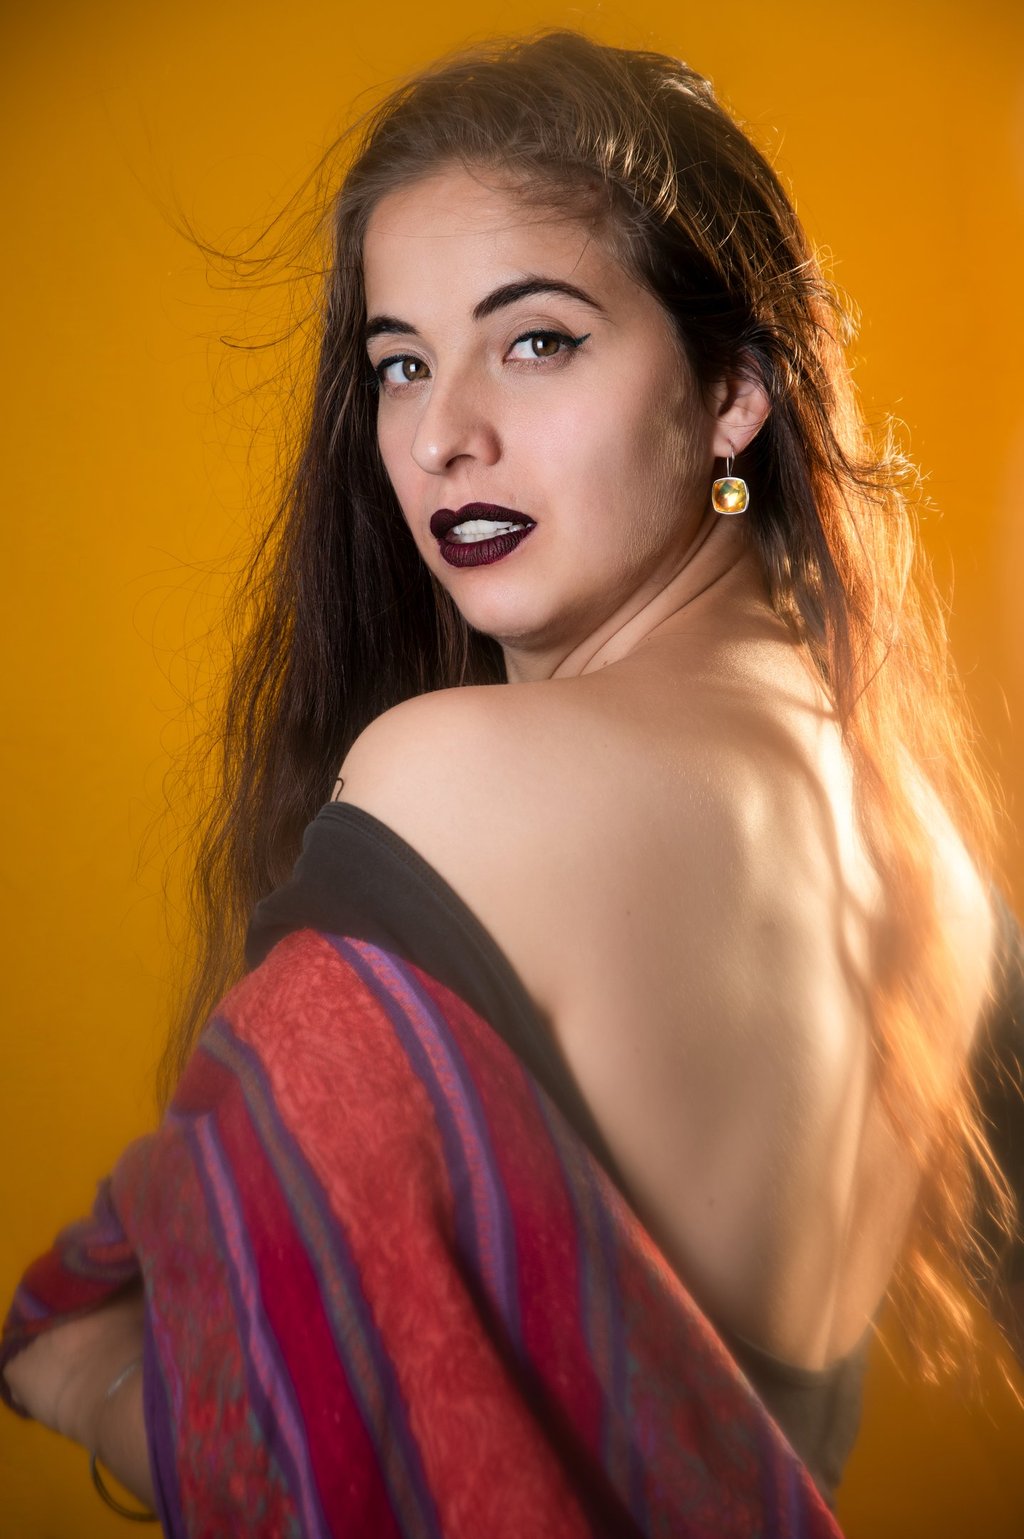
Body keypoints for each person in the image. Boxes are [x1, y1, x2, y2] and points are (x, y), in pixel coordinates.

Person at [2, 28, 1022, 1536]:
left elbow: (291, 1450)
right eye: (401, 364)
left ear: (734, 391)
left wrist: (80, 1366)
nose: (441, 436)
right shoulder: (938, 867)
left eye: (537, 341)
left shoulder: (455, 775)